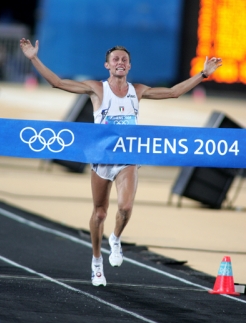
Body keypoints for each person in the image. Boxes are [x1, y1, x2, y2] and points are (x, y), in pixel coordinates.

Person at [20, 38, 222, 287]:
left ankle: (115, 239)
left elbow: (173, 92)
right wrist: (33, 58)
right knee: (100, 212)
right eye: (115, 59)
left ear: (129, 66)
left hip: (127, 158)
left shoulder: (137, 91)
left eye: (124, 60)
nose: (120, 62)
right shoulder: (97, 89)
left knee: (125, 208)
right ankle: (96, 261)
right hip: (102, 158)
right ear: (107, 65)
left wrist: (203, 74)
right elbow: (57, 83)